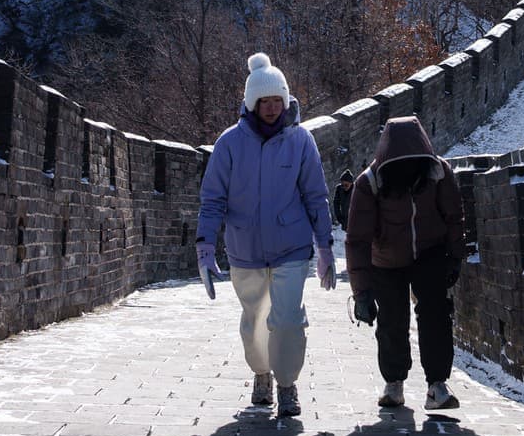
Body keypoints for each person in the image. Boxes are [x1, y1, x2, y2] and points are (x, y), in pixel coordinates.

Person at [196, 53, 336, 417]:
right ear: (252, 103)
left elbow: (315, 195)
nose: (273, 108)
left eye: (279, 101)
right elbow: (213, 199)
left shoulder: (301, 141)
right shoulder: (229, 144)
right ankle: (262, 374)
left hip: (292, 246)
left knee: (288, 319)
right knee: (254, 321)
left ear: (287, 101)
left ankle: (287, 383)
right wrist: (205, 246)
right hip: (245, 248)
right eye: (266, 101)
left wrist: (324, 247)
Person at [345, 116, 466, 412]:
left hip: (430, 251)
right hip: (386, 259)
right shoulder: (369, 183)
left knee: (436, 315)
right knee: (391, 320)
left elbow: (454, 216)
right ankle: (394, 382)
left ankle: (437, 384)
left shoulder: (438, 173)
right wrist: (361, 292)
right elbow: (357, 239)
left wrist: (455, 256)